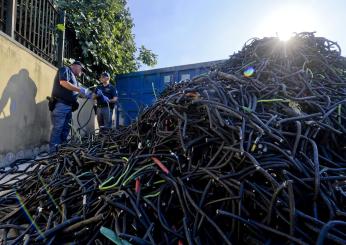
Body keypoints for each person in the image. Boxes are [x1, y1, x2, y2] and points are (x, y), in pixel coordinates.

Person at [49, 61, 91, 153]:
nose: (82, 72)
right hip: (61, 105)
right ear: (76, 66)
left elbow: (74, 91)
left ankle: (62, 149)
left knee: (66, 129)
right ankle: (53, 152)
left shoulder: (74, 79)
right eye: (82, 69)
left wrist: (89, 95)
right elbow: (63, 83)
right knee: (58, 128)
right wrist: (79, 89)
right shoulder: (65, 70)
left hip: (68, 107)